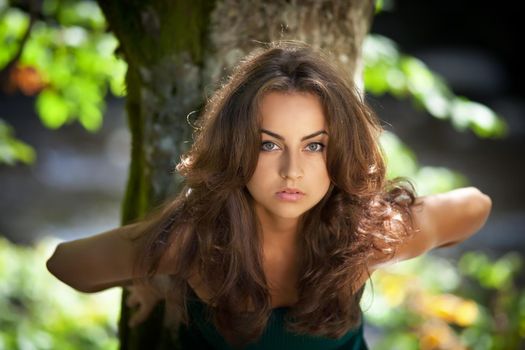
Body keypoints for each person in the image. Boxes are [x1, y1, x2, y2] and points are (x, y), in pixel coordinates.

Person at [46, 41, 492, 349]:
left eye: (314, 146)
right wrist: (152, 268)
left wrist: (387, 245)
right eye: (269, 144)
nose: (291, 170)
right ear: (237, 148)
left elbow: (476, 205)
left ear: (338, 154)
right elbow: (65, 263)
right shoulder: (191, 242)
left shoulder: (369, 235)